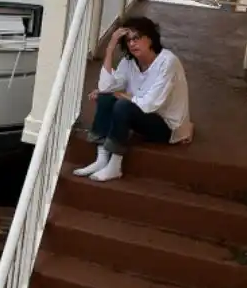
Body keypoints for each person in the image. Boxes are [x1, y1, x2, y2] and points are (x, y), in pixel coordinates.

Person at [73, 16, 193, 182]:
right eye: (128, 40)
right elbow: (106, 87)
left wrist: (121, 95)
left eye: (136, 38)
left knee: (122, 106)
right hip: (143, 117)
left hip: (166, 127)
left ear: (150, 38)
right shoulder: (129, 62)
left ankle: (115, 165)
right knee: (106, 98)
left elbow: (150, 104)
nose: (131, 44)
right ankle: (101, 159)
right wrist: (110, 47)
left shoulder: (167, 62)